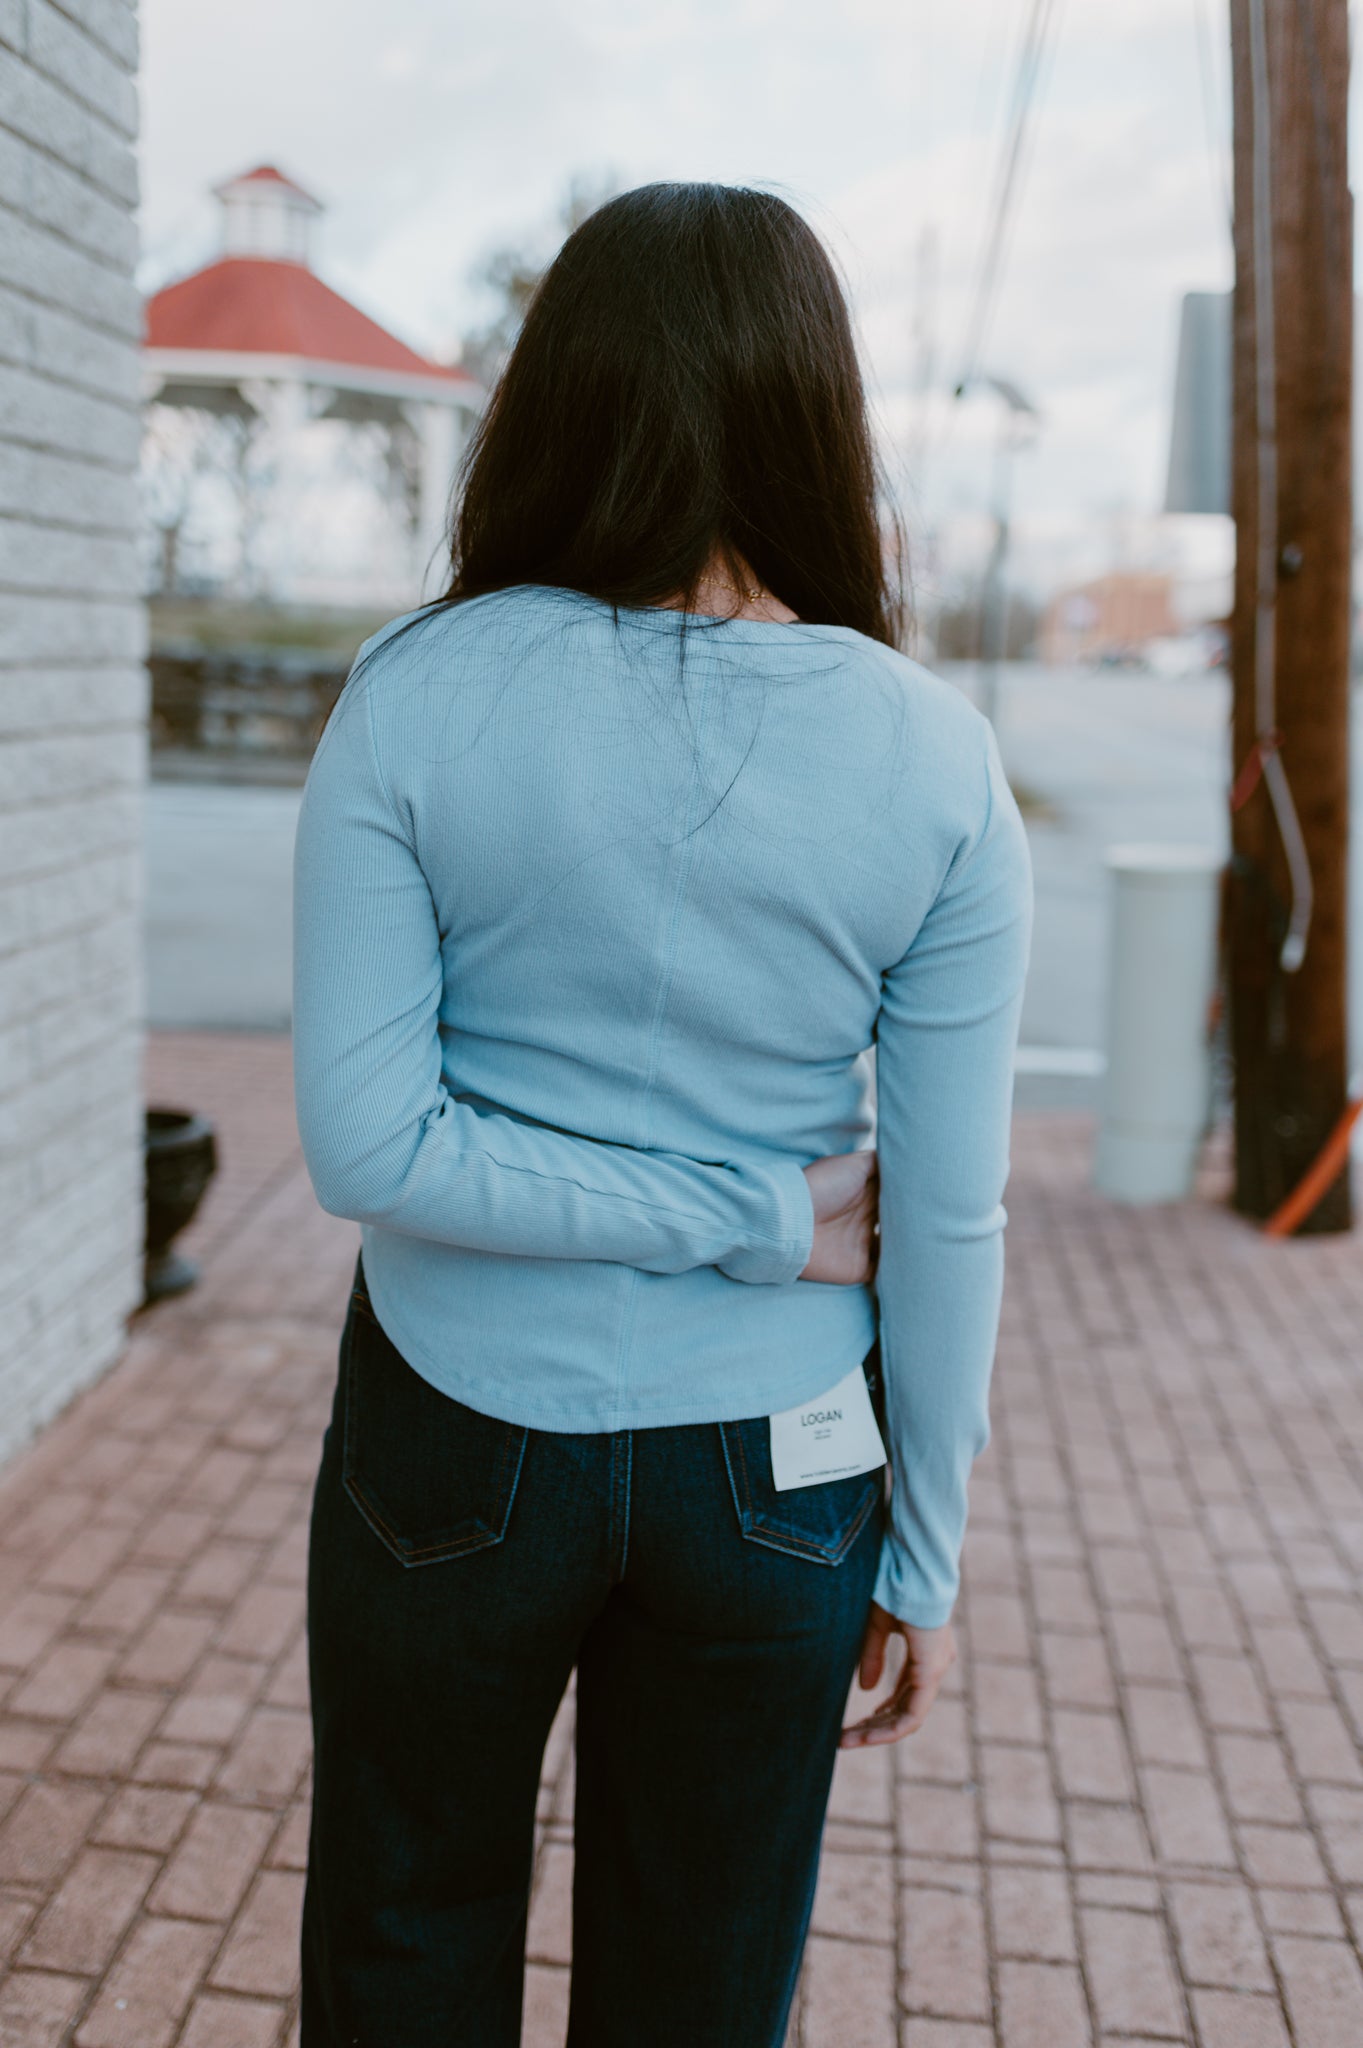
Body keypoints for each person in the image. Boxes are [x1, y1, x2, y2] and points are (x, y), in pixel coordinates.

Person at [292, 181, 1033, 2048]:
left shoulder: (413, 696)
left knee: (402, 1928)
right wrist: (916, 1537)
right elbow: (943, 1216)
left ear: (560, 395)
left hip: (456, 1431)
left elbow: (372, 1149)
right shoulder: (936, 757)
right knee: (706, 1990)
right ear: (814, 413)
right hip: (778, 1473)